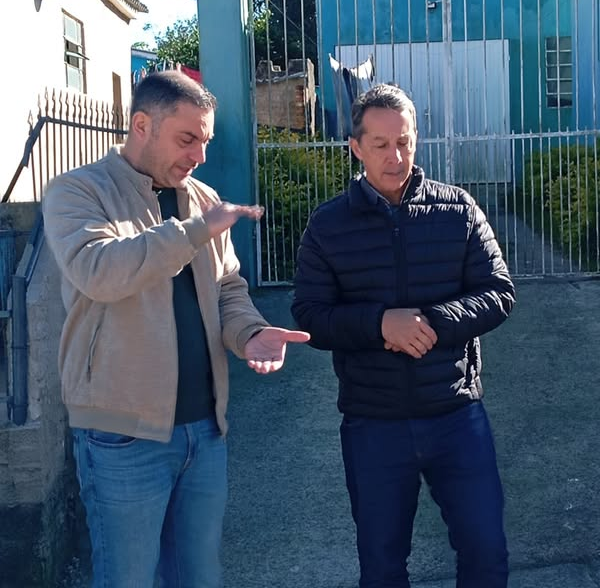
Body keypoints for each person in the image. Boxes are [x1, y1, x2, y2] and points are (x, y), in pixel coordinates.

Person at [43, 70, 310, 588]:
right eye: (187, 139)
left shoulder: (202, 198)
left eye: (205, 140)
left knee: (199, 577)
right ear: (142, 125)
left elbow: (228, 287)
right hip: (122, 435)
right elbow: (99, 271)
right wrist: (193, 232)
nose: (199, 155)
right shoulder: (78, 191)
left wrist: (250, 333)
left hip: (205, 431)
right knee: (128, 579)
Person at [291, 83, 515, 588]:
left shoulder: (457, 210)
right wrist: (379, 324)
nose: (395, 157)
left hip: (456, 415)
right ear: (356, 147)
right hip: (374, 423)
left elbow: (499, 292)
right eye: (381, 145)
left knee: (487, 555)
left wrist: (431, 322)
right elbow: (310, 313)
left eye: (405, 142)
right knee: (383, 568)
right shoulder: (328, 226)